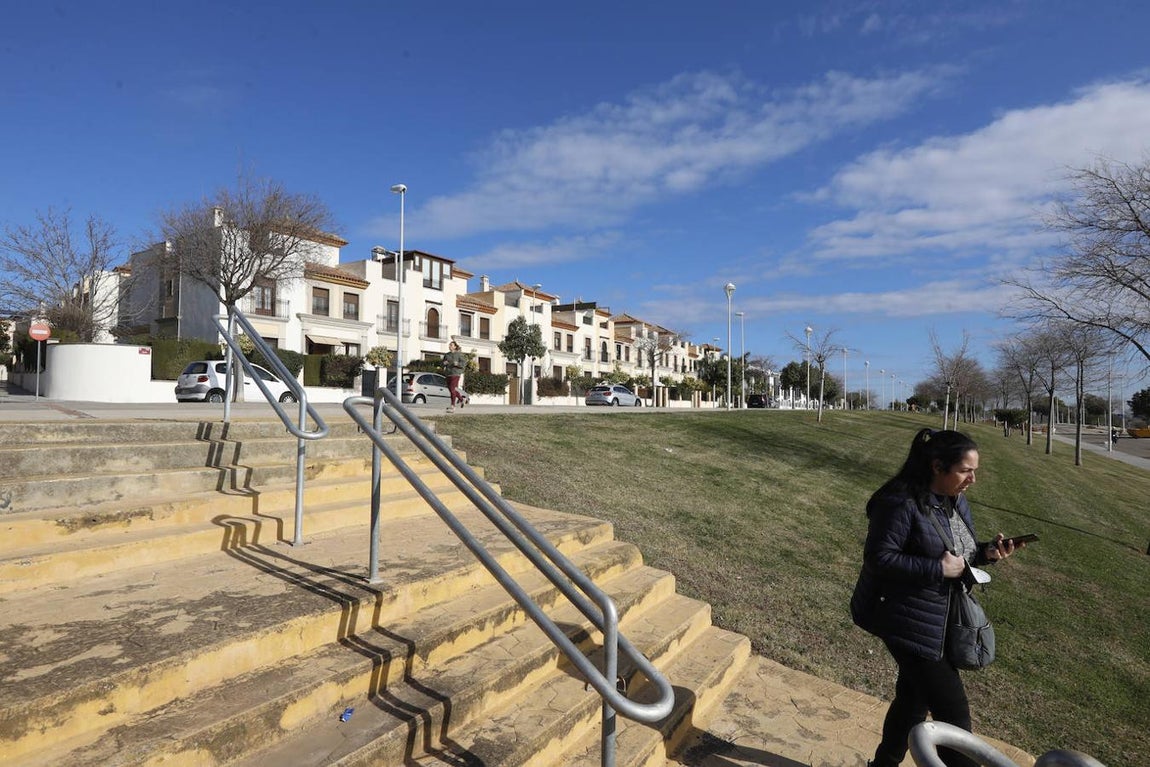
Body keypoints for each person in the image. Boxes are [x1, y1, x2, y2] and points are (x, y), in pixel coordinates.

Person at [850, 428, 1020, 767]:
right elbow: (879, 558)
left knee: (912, 702)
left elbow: (957, 553)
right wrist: (936, 569)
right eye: (965, 470)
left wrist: (986, 553)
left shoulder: (954, 500)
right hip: (904, 619)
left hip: (937, 618)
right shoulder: (900, 502)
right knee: (953, 716)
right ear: (937, 466)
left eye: (974, 471)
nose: (972, 479)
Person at [441, 341, 467, 413]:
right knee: (451, 389)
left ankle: (453, 406)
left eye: (451, 345)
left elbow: (464, 364)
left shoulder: (459, 354)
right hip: (448, 374)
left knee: (452, 389)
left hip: (455, 374)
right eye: (449, 345)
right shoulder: (447, 355)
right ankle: (462, 399)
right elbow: (442, 364)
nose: (449, 346)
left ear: (455, 347)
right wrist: (444, 363)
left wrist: (457, 364)